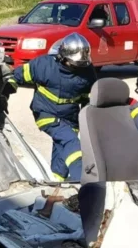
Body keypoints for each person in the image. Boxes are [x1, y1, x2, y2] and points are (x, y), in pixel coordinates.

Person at [5, 33, 96, 181]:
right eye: (75, 63)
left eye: (81, 63)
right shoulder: (44, 65)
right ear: (63, 57)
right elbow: (16, 77)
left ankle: (57, 181)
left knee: (62, 154)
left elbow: (89, 97)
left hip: (71, 118)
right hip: (46, 114)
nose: (78, 66)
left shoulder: (87, 70)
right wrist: (3, 95)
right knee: (72, 144)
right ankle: (83, 181)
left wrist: (88, 119)